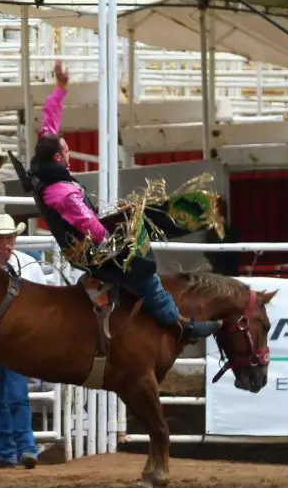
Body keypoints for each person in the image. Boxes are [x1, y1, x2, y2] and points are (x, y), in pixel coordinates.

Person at [28, 61, 220, 343]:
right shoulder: (63, 192)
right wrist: (115, 245)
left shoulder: (44, 165)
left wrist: (61, 88)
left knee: (134, 230)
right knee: (141, 269)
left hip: (79, 242)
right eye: (66, 151)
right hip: (86, 248)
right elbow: (87, 222)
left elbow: (48, 122)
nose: (70, 154)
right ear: (57, 157)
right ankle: (181, 326)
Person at [0, 214, 49, 469]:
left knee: (15, 396)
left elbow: (42, 305)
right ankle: (10, 451)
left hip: (16, 341)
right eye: (1, 237)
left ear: (14, 239)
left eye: (9, 237)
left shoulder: (27, 265)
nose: (5, 242)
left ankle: (23, 449)